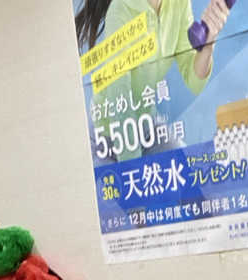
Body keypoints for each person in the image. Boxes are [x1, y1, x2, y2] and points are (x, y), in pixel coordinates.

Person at [75, 0, 231, 161]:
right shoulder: (121, 10)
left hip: (147, 126)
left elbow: (194, 81)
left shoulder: (179, 3)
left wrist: (208, 45)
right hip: (108, 138)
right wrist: (135, 166)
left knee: (189, 169)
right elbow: (120, 102)